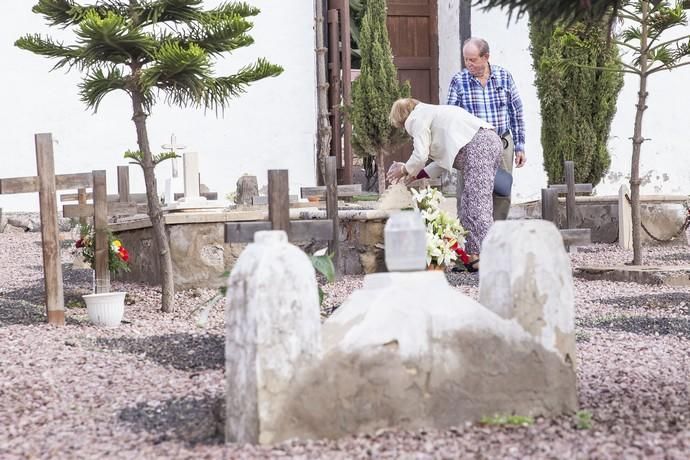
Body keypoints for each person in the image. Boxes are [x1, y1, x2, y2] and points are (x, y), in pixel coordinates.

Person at [387, 98, 502, 272]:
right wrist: (416, 174)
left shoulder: (415, 119)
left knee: (478, 205)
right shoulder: (430, 113)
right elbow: (442, 161)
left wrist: (404, 169)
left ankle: (488, 258)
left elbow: (420, 156)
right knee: (469, 203)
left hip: (479, 147)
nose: (405, 130)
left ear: (401, 117)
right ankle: (473, 257)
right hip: (488, 141)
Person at [447, 37, 526, 221]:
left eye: (472, 59)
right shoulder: (458, 81)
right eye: (465, 59)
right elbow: (450, 118)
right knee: (468, 193)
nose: (468, 64)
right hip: (471, 147)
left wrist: (520, 146)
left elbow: (517, 111)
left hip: (502, 143)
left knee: (502, 193)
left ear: (486, 57)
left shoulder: (504, 77)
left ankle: (495, 236)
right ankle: (468, 240)